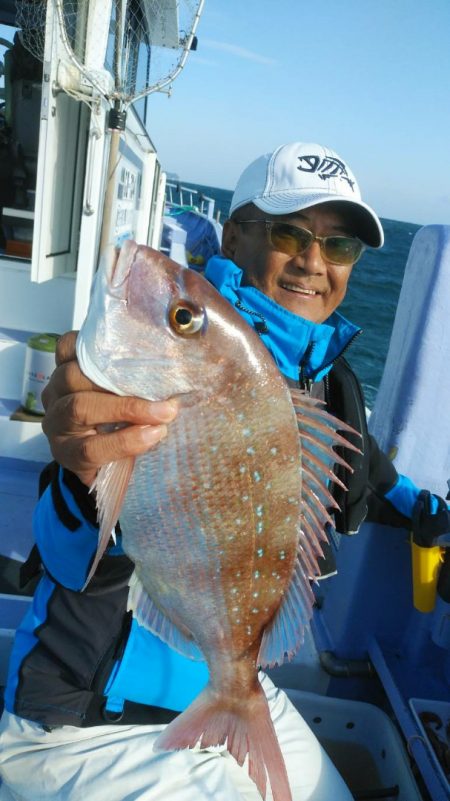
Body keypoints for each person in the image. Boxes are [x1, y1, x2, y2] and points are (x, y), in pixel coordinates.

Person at [0, 141, 449, 801]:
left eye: (341, 246)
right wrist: (77, 468)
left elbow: (371, 476)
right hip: (85, 723)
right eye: (291, 233)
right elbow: (73, 539)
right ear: (235, 236)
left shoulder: (329, 385)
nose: (313, 261)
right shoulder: (168, 365)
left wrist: (425, 508)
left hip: (233, 677)